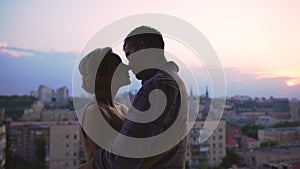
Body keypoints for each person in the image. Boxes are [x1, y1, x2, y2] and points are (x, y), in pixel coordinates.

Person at [93, 26, 188, 169]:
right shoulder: (174, 81)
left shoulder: (157, 86)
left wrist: (92, 163)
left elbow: (121, 160)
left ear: (141, 46)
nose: (129, 66)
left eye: (129, 55)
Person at [78, 47, 130, 168]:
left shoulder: (123, 109)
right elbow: (109, 162)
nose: (128, 67)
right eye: (118, 65)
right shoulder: (94, 112)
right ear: (102, 75)